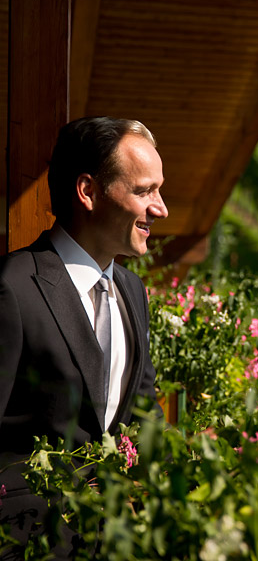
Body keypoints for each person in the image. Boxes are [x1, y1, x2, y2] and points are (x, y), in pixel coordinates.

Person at [0, 117, 168, 557]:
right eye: (144, 191)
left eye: (159, 190)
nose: (161, 208)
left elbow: (143, 419)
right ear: (88, 192)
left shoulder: (134, 293)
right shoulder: (12, 287)